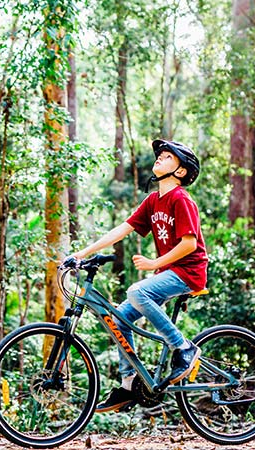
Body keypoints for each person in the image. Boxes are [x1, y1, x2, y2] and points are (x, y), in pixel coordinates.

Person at [68, 139, 208, 413]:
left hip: (188, 272)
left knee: (137, 291)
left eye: (168, 157)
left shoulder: (181, 199)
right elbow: (122, 229)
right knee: (119, 318)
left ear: (180, 171)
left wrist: (155, 262)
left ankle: (183, 347)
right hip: (167, 272)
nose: (160, 159)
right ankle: (130, 384)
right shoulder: (153, 201)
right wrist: (81, 253)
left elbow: (190, 244)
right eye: (161, 155)